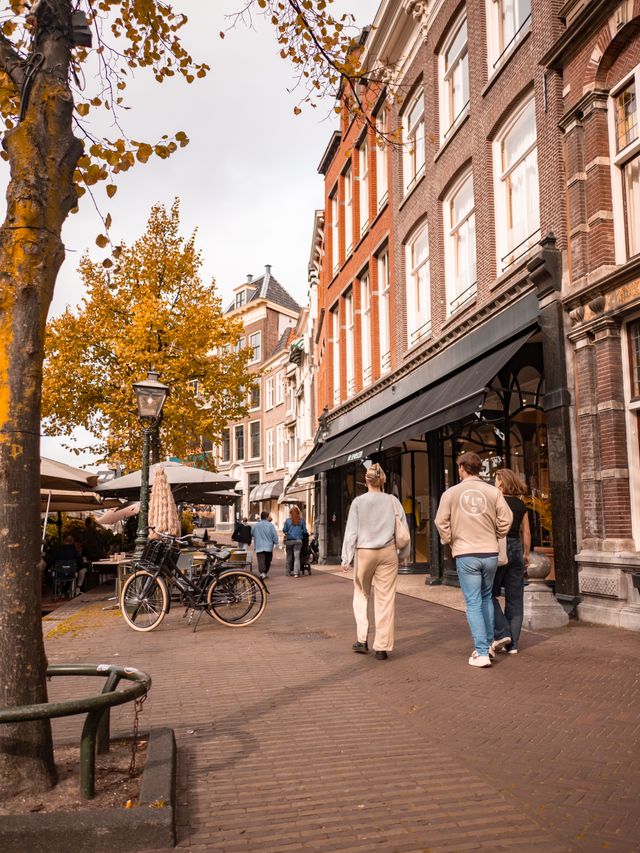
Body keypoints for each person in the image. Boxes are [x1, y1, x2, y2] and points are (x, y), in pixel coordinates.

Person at [435, 452, 513, 668]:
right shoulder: (493, 492)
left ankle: (481, 653)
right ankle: (487, 645)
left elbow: (440, 522)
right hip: (490, 553)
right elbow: (507, 519)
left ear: (461, 468)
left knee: (473, 602)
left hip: (466, 553)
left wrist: (450, 540)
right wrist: (497, 533)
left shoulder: (451, 493)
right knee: (487, 597)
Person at [341, 463, 409, 660]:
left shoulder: (358, 502)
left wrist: (346, 558)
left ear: (366, 481)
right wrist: (403, 554)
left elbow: (351, 531)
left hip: (364, 553)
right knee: (386, 599)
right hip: (388, 553)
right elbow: (403, 529)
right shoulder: (393, 501)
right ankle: (382, 646)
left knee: (361, 594)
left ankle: (362, 640)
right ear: (383, 481)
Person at [491, 468, 531, 656]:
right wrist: (526, 554)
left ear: (502, 483)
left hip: (499, 548)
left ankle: (503, 632)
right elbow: (527, 532)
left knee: (489, 594)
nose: (495, 482)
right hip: (516, 550)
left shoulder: (495, 501)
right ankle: (513, 645)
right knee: (515, 599)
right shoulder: (521, 505)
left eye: (497, 479)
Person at [252, 511, 279, 579]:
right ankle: (264, 572)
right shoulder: (271, 525)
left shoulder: (256, 525)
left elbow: (252, 533)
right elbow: (274, 535)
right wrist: (276, 542)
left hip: (259, 546)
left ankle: (262, 572)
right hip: (268, 546)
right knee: (268, 560)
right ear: (267, 517)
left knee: (261, 559)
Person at [282, 506, 307, 577]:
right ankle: (296, 573)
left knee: (289, 557)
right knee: (297, 557)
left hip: (289, 541)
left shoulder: (287, 521)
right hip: (298, 541)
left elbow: (284, 530)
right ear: (298, 513)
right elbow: (305, 531)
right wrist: (300, 531)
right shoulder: (301, 521)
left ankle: (288, 572)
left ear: (290, 513)